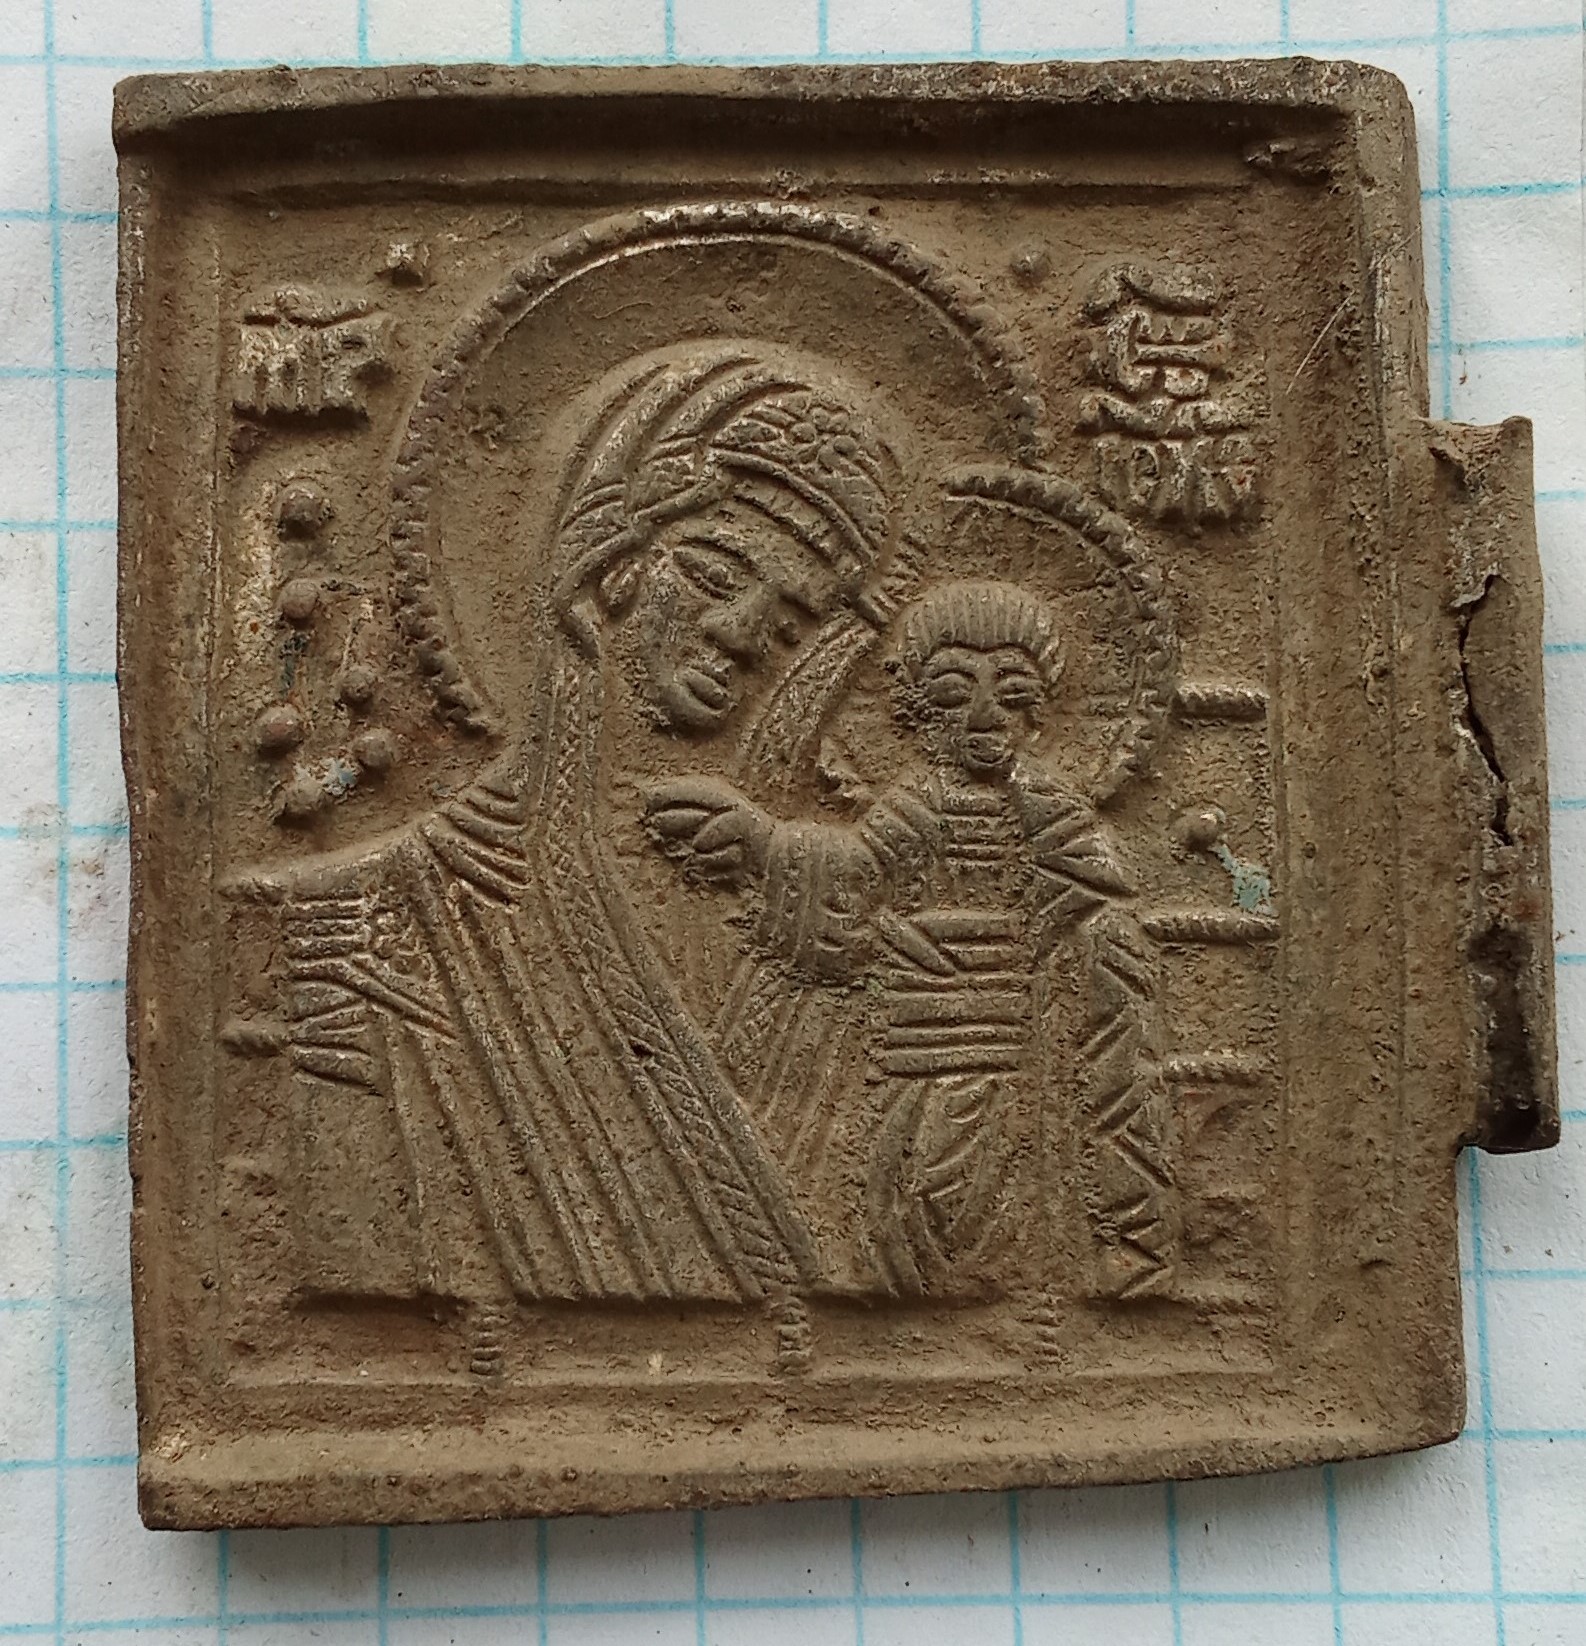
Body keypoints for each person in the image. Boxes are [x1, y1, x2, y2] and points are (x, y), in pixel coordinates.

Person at [250, 344, 902, 1346]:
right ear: (613, 562)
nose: (742, 634)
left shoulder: (810, 914)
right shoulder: (358, 930)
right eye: (716, 572)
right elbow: (352, 1293)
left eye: (788, 625)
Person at [644, 580, 1136, 1297]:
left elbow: (1102, 923)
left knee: (1002, 1199)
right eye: (955, 692)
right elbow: (856, 876)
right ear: (920, 708)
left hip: (1021, 1054)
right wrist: (764, 846)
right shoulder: (917, 803)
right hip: (916, 1048)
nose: (984, 716)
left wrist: (1054, 960)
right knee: (907, 1200)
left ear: (1039, 710)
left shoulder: (1057, 816)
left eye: (1012, 694)